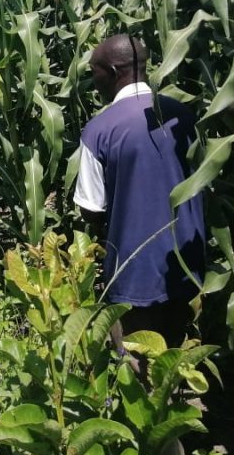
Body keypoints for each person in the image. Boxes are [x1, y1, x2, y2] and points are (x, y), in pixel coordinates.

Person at [73, 34, 205, 348]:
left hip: (133, 276)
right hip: (188, 267)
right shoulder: (183, 116)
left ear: (113, 71)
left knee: (136, 362)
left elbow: (91, 208)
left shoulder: (100, 130)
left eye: (94, 72)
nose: (93, 82)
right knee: (183, 357)